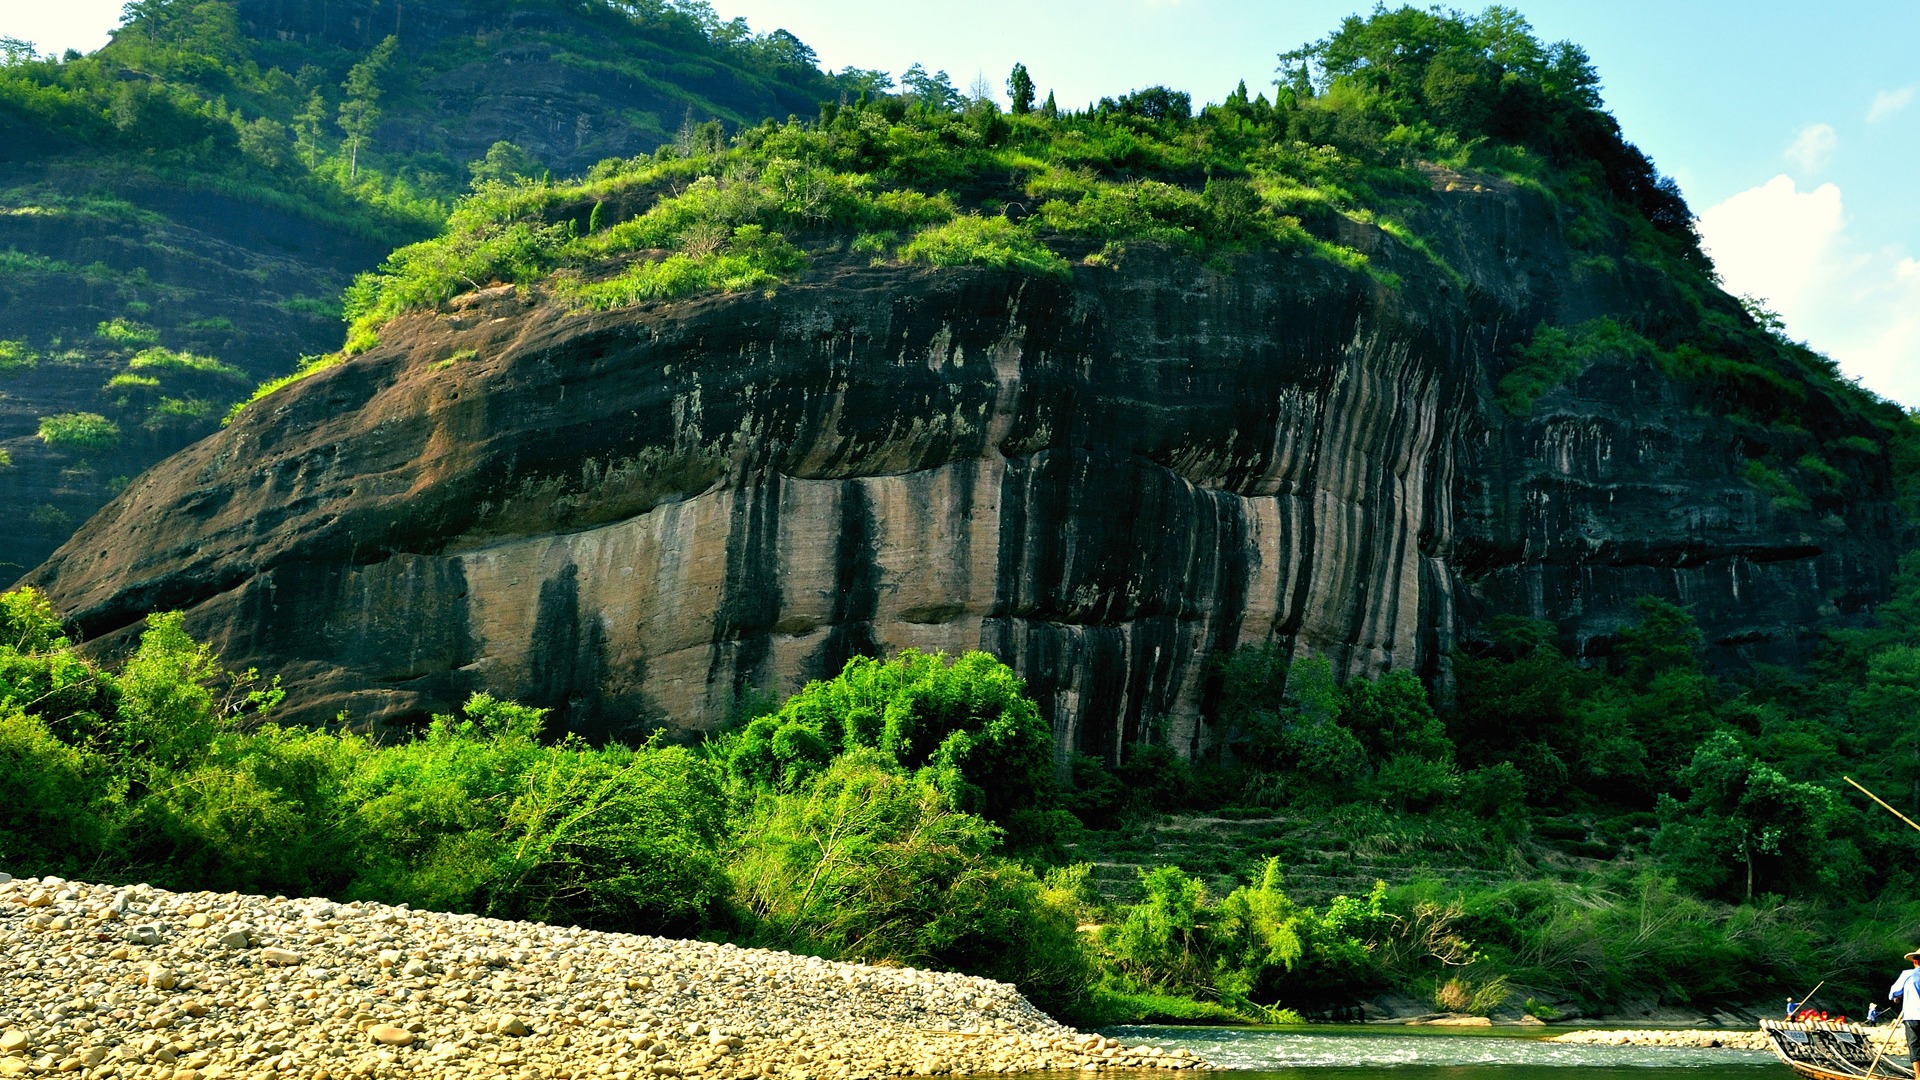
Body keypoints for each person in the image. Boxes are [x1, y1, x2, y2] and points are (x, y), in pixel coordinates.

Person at [1888, 949, 1920, 1080]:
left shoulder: (1908, 974)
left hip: (1913, 1014)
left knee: (1915, 1045)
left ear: (1915, 961)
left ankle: (1918, 1076)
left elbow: (1893, 992)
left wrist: (1898, 996)